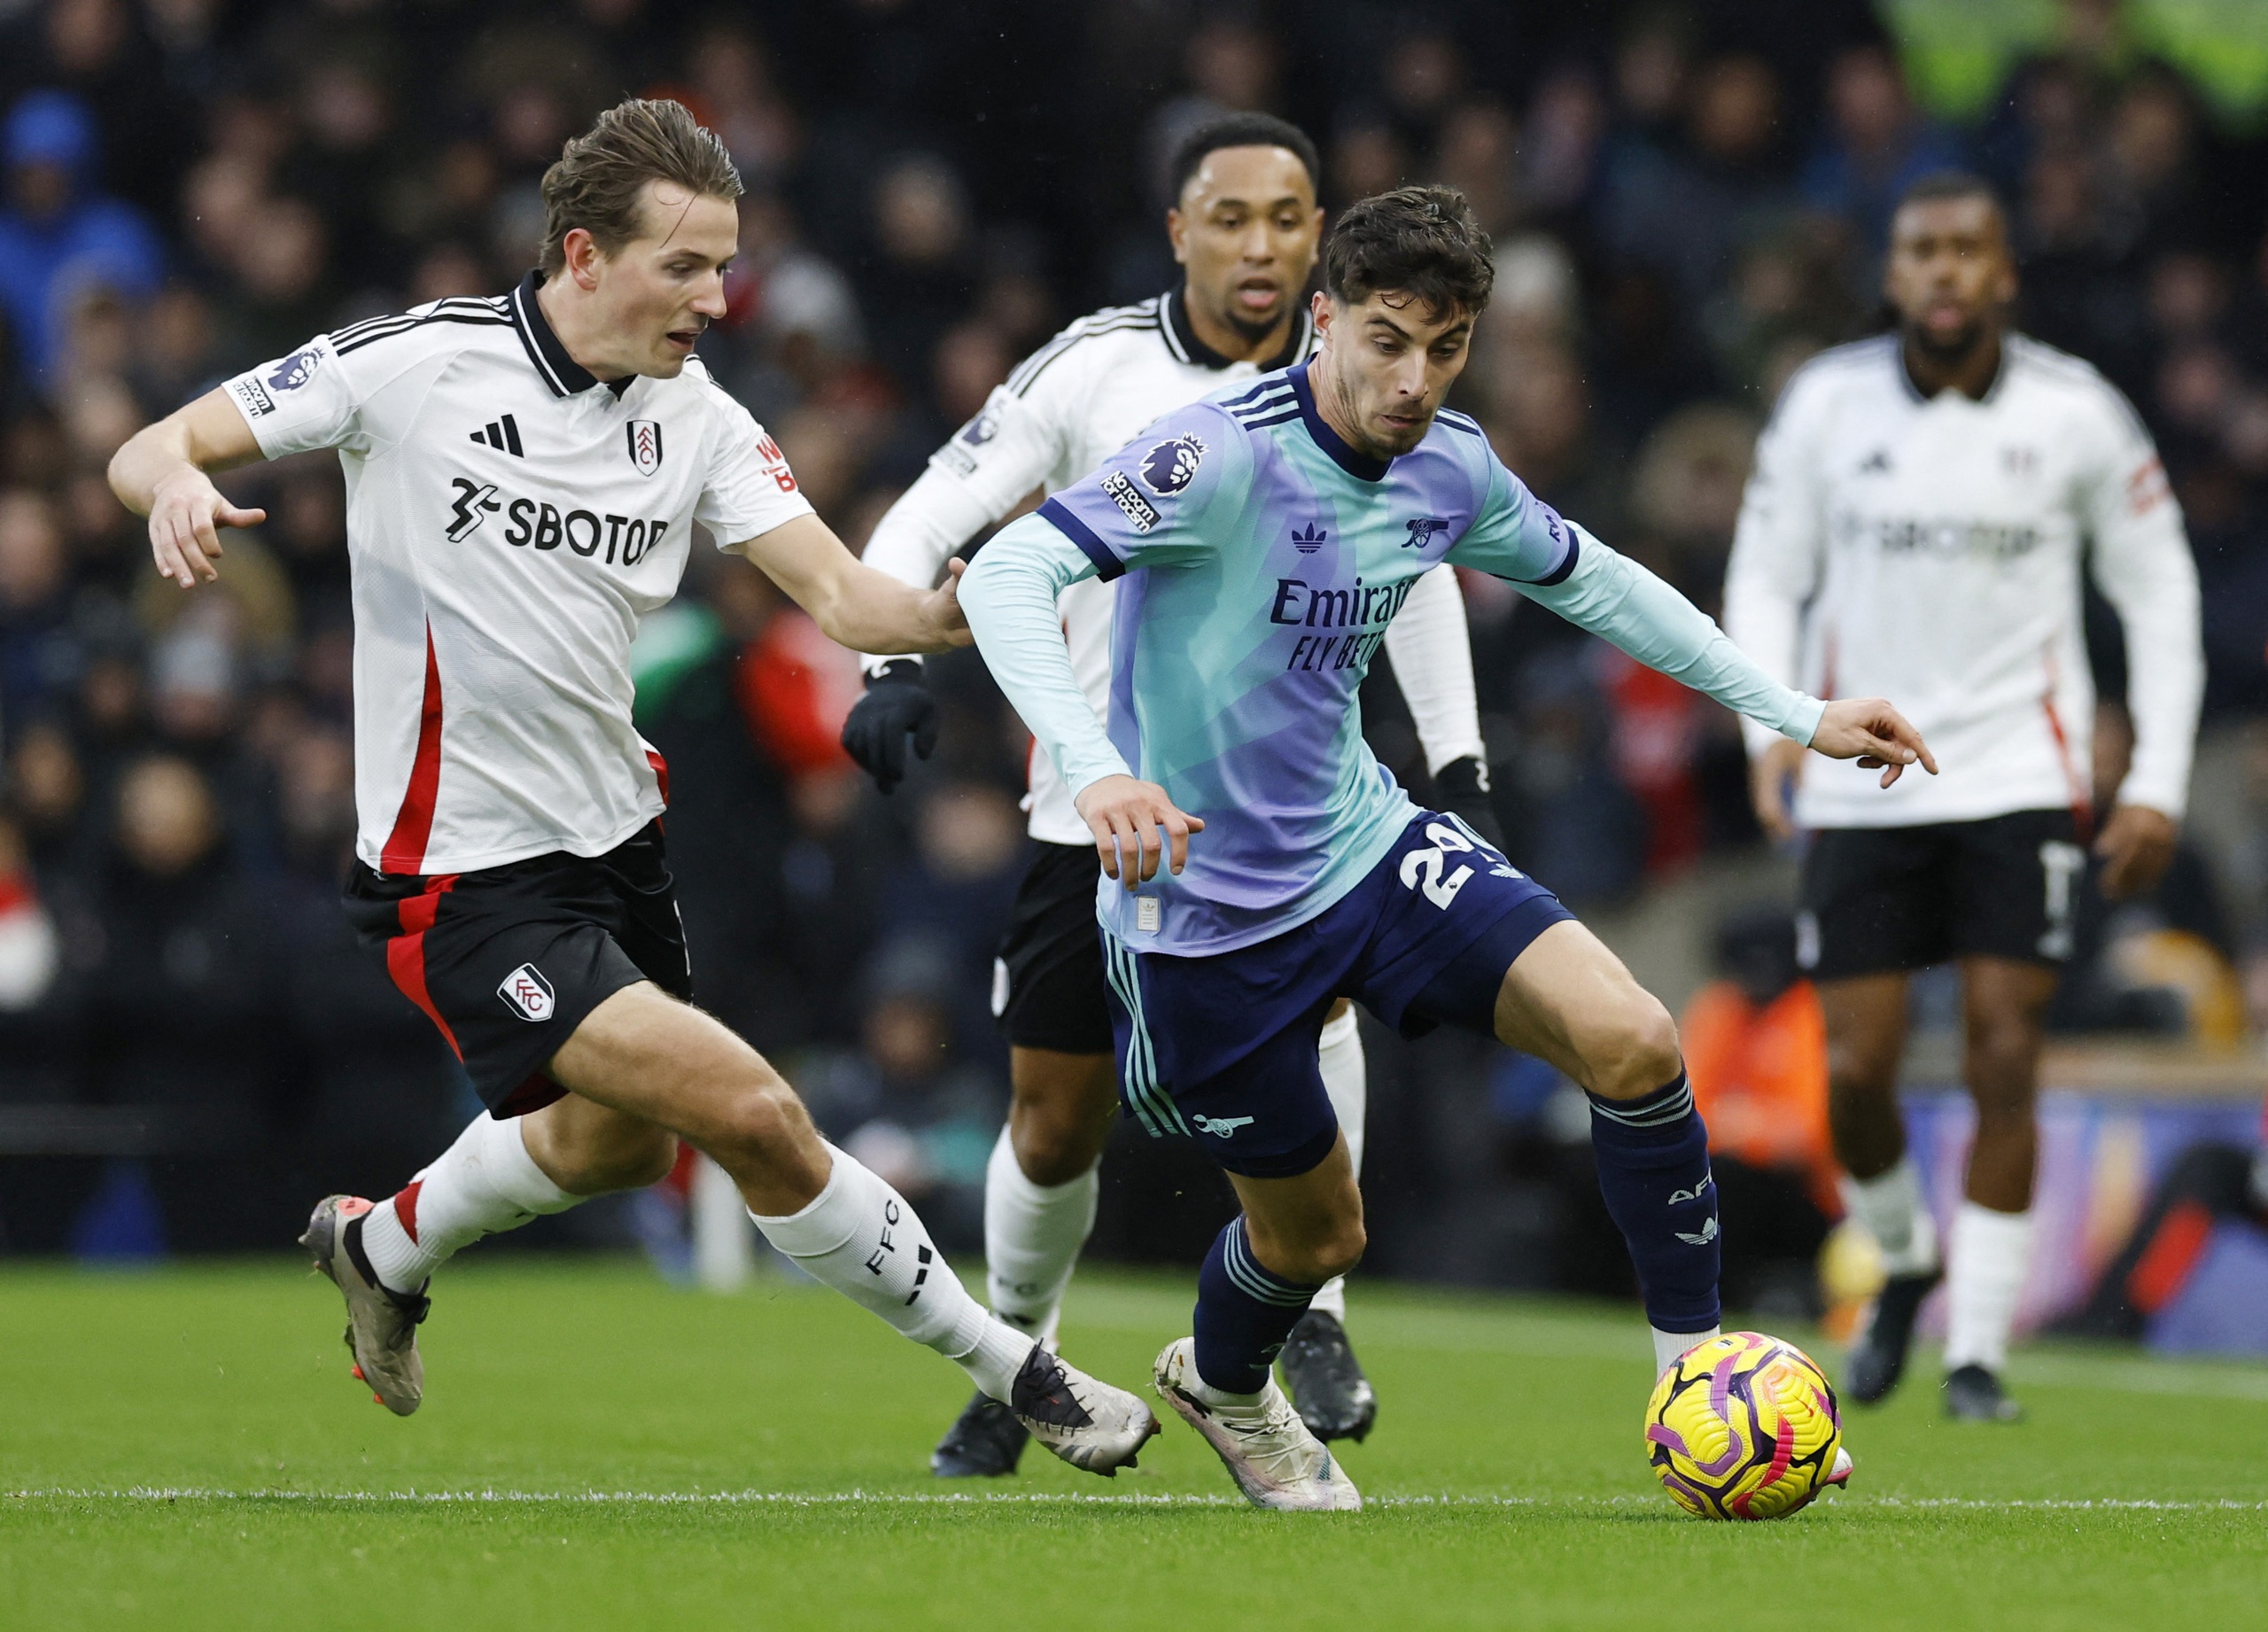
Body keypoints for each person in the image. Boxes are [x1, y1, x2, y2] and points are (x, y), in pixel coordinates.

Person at [105, 98, 1158, 1478]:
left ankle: (379, 1246)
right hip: (459, 873)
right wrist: (174, 483)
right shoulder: (418, 362)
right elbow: (147, 447)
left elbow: (843, 595)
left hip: (615, 848)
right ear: (583, 253)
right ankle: (1017, 1371)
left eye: (725, 265)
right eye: (686, 266)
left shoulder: (697, 419)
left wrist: (957, 611)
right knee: (756, 1112)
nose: (716, 299)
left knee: (603, 1145)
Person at [958, 183, 1926, 1511]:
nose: (1417, 380)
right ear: (1324, 322)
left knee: (1637, 1042)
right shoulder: (1217, 455)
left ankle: (1698, 1384)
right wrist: (1100, 767)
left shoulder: (1448, 464)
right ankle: (1227, 1387)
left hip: (1367, 848)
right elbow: (1010, 576)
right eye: (1390, 340)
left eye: (1449, 343)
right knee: (1318, 1236)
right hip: (1205, 921)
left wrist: (1798, 712)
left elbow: (1593, 578)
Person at [843, 112, 1495, 1473]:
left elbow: (1426, 566)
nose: (1259, 242)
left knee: (1317, 1014)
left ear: (1321, 241)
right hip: (1087, 812)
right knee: (1052, 1119)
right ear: (1178, 232)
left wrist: (1457, 763)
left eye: (1288, 216)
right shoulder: (1094, 369)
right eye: (1231, 215)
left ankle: (1311, 1315)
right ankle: (1020, 1359)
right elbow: (934, 507)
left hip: (1292, 808)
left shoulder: (1374, 384)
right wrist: (891, 653)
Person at [1723, 171, 2204, 1422]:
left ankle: (1977, 1353)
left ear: (2003, 274)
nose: (1942, 271)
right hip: (1863, 773)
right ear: (1893, 274)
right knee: (1862, 1073)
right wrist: (1767, 728)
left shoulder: (2076, 411)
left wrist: (2152, 778)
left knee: (2003, 1050)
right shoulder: (1825, 406)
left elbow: (2161, 593)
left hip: (2018, 776)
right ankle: (1905, 1256)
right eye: (1920, 250)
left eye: (1965, 251)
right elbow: (1764, 576)